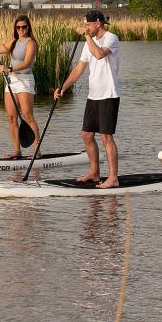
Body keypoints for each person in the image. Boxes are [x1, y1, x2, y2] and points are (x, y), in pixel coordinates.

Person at [54, 10, 121, 188]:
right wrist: (63, 87)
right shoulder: (88, 43)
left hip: (109, 94)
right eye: (85, 26)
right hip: (94, 95)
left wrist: (87, 36)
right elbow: (79, 69)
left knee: (106, 137)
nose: (86, 28)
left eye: (88, 25)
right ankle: (94, 172)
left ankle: (113, 178)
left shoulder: (111, 38)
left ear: (98, 23)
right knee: (86, 135)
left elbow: (99, 54)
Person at [0, 16, 40, 159]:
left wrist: (10, 69)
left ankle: (36, 151)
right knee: (12, 117)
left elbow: (27, 63)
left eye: (24, 27)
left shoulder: (31, 43)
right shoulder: (14, 42)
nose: (21, 29)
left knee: (27, 116)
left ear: (28, 27)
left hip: (25, 80)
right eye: (18, 27)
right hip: (12, 81)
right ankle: (17, 151)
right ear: (16, 28)